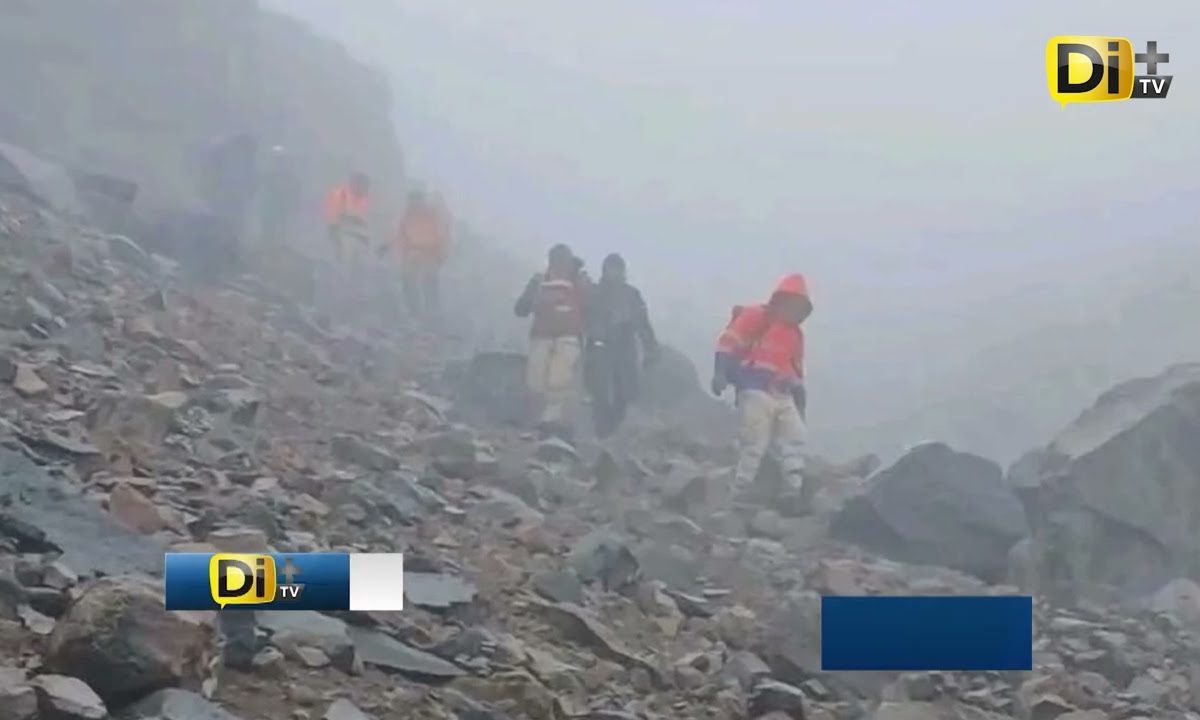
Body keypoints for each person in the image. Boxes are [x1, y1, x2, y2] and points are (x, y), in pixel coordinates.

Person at [711, 273, 813, 505]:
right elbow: (729, 342)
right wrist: (720, 372)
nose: (793, 310)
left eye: (798, 306)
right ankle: (740, 489)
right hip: (754, 388)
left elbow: (796, 370)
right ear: (780, 300)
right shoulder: (756, 317)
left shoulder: (795, 335)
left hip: (782, 393)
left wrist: (800, 400)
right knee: (755, 441)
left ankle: (793, 491)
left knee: (795, 438)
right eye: (790, 302)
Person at [514, 244, 589, 439]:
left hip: (567, 337)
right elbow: (521, 309)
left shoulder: (580, 281)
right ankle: (544, 420)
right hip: (543, 335)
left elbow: (591, 308)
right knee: (537, 381)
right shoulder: (540, 280)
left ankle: (551, 422)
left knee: (558, 380)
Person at [583, 253, 659, 438]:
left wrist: (651, 348)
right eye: (610, 268)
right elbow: (583, 319)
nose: (613, 272)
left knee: (623, 393)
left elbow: (643, 322)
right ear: (604, 270)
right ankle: (601, 431)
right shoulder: (594, 292)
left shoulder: (631, 294)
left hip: (624, 346)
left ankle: (614, 430)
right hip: (598, 347)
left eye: (617, 268)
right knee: (598, 392)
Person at [387, 189, 450, 319]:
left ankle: (432, 311)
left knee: (430, 282)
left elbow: (442, 236)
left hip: (430, 253)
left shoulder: (431, 215)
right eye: (412, 200)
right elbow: (401, 236)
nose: (414, 203)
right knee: (408, 281)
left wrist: (441, 255)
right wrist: (401, 255)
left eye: (417, 200)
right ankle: (413, 312)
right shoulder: (407, 216)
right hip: (412, 254)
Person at [323, 172, 371, 308]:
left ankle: (353, 297)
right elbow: (332, 217)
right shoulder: (340, 195)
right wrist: (336, 238)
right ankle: (338, 298)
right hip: (342, 236)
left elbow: (364, 221)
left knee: (359, 270)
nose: (365, 190)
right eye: (363, 186)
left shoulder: (364, 199)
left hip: (359, 240)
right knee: (342, 268)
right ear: (355, 184)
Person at [258, 145, 301, 248]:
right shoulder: (269, 171)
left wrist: (292, 199)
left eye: (280, 158)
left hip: (281, 202)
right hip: (270, 202)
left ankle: (280, 245)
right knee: (270, 225)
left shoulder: (287, 171)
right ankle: (268, 244)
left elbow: (294, 186)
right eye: (277, 158)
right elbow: (263, 184)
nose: (278, 160)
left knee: (281, 224)